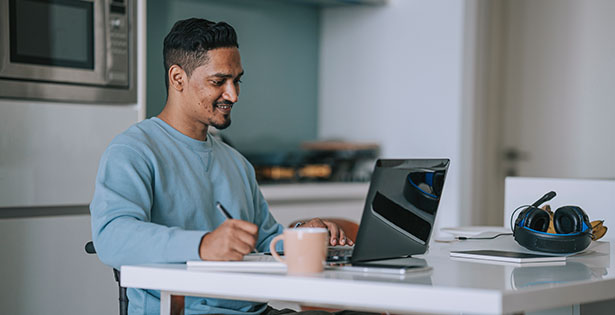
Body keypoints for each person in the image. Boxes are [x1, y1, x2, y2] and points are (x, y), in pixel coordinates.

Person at [90, 18, 354, 315]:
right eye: (219, 82)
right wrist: (203, 245)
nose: (233, 95)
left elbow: (265, 241)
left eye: (237, 80)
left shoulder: (235, 161)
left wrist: (302, 235)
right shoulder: (134, 150)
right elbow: (111, 238)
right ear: (178, 78)